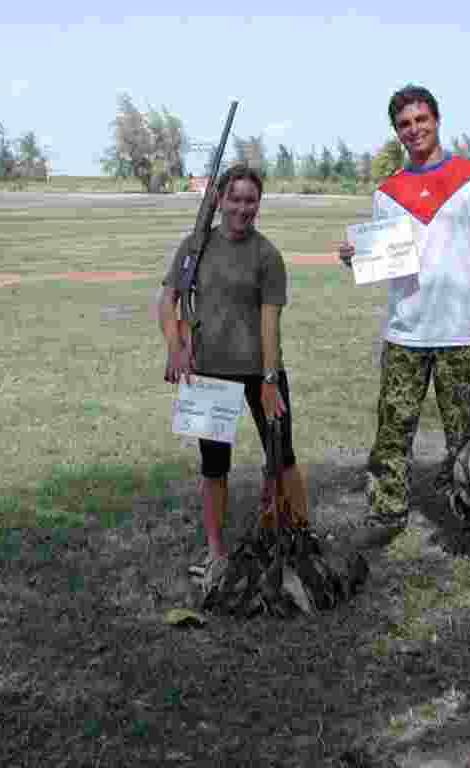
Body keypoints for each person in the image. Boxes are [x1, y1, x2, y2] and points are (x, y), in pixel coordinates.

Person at [337, 84, 470, 551]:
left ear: (437, 120)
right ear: (396, 132)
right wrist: (356, 257)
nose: (414, 129)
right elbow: (386, 261)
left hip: (466, 334)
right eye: (404, 124)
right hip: (406, 333)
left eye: (421, 120)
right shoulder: (387, 193)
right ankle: (387, 512)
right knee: (392, 430)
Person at [159, 164, 298, 585]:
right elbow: (168, 300)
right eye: (234, 198)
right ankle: (216, 550)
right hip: (209, 374)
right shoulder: (194, 246)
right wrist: (176, 348)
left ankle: (290, 537)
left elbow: (270, 323)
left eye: (250, 200)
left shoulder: (267, 255)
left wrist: (270, 380)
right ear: (218, 200)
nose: (242, 208)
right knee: (214, 467)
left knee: (282, 460)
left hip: (260, 373)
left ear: (259, 203)